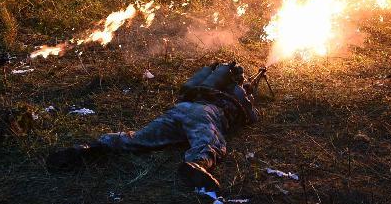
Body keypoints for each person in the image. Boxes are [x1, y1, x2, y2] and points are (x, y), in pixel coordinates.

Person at [47, 61, 259, 191]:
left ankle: (92, 148)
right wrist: (248, 96)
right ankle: (197, 165)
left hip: (181, 109)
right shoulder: (237, 91)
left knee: (139, 138)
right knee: (209, 142)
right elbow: (251, 117)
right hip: (204, 113)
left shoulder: (207, 84)